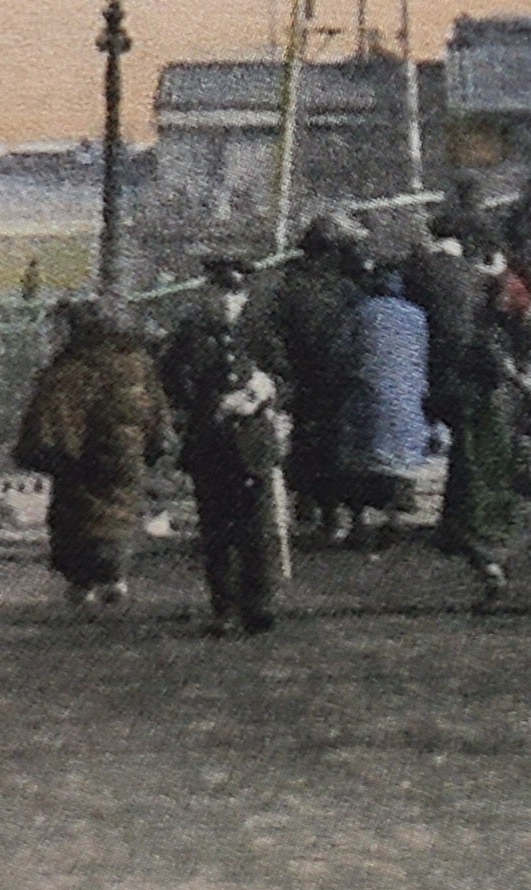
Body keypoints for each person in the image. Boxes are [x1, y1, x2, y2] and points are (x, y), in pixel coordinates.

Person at [403, 209, 526, 607]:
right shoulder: (479, 282)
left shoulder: (419, 272)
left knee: (467, 461)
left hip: (441, 380)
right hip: (479, 383)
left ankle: (466, 541)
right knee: (479, 467)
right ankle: (485, 554)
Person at [13, 298, 168, 609]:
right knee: (121, 511)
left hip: (80, 457)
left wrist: (43, 450)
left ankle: (82, 581)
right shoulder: (134, 361)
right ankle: (114, 575)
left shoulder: (70, 367)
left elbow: (51, 415)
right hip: (126, 451)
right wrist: (154, 442)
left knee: (79, 515)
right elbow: (155, 407)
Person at [158, 257, 279, 635]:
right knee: (217, 530)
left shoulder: (260, 331)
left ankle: (258, 603)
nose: (229, 301)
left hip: (254, 441)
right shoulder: (190, 334)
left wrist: (268, 388)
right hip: (211, 442)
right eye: (222, 292)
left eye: (237, 293)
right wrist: (216, 403)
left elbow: (287, 373)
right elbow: (175, 384)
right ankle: (223, 606)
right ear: (207, 292)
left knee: (257, 529)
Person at [249, 213, 373, 546]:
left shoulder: (289, 286)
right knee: (339, 449)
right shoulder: (342, 290)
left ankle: (322, 510)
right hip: (333, 381)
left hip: (310, 381)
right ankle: (341, 515)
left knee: (315, 446)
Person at [343, 265, 435, 543]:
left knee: (359, 461)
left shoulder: (360, 313)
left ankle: (359, 520)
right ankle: (394, 517)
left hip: (367, 394)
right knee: (400, 460)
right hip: (408, 394)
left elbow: (343, 352)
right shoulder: (417, 317)